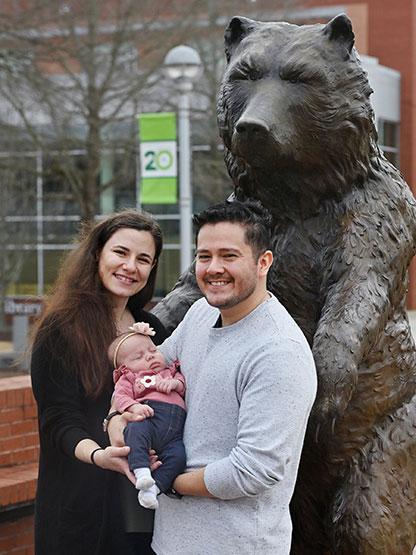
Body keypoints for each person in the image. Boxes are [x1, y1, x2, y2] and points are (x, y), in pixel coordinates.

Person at [150, 200, 317, 555]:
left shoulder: (277, 350)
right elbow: (150, 369)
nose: (213, 269)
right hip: (170, 542)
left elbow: (253, 471)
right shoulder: (199, 313)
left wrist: (166, 479)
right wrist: (119, 419)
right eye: (204, 255)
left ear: (263, 262)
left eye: (228, 256)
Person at [30, 209, 167, 555]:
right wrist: (99, 455)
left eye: (143, 259)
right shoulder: (60, 328)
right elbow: (58, 420)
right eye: (120, 252)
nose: (130, 266)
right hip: (80, 508)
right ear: (97, 254)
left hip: (144, 510)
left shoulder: (154, 330)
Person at [109, 322, 186, 510]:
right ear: (124, 368)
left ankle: (153, 490)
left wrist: (176, 384)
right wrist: (134, 407)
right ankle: (142, 473)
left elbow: (183, 384)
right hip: (148, 418)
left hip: (174, 434)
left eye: (152, 349)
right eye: (139, 357)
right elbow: (120, 397)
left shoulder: (170, 371)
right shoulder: (130, 378)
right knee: (135, 431)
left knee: (179, 457)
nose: (150, 356)